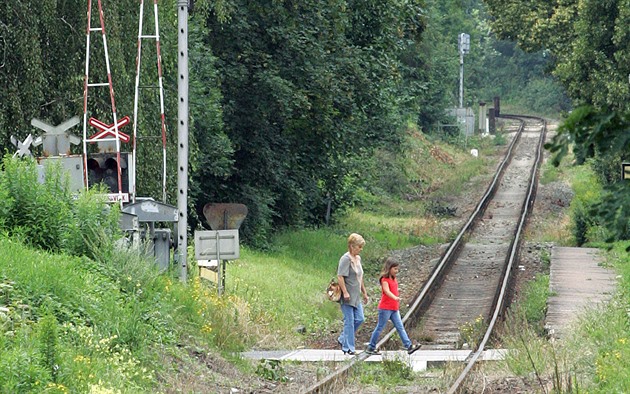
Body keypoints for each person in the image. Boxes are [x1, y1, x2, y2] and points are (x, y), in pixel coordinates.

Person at [365, 257, 420, 355]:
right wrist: (395, 297)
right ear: (389, 268)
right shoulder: (384, 279)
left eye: (397, 269)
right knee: (380, 327)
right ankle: (371, 347)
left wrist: (396, 299)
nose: (396, 271)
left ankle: (409, 346)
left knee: (400, 327)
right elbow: (386, 291)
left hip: (394, 308)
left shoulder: (394, 279)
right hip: (385, 308)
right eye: (395, 269)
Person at [337, 233, 369, 355]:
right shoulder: (345, 259)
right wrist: (345, 292)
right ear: (351, 246)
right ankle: (349, 348)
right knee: (349, 321)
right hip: (347, 296)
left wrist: (364, 293)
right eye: (359, 247)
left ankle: (342, 339)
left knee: (360, 319)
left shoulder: (358, 259)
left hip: (356, 296)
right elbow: (340, 276)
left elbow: (360, 277)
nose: (360, 249)